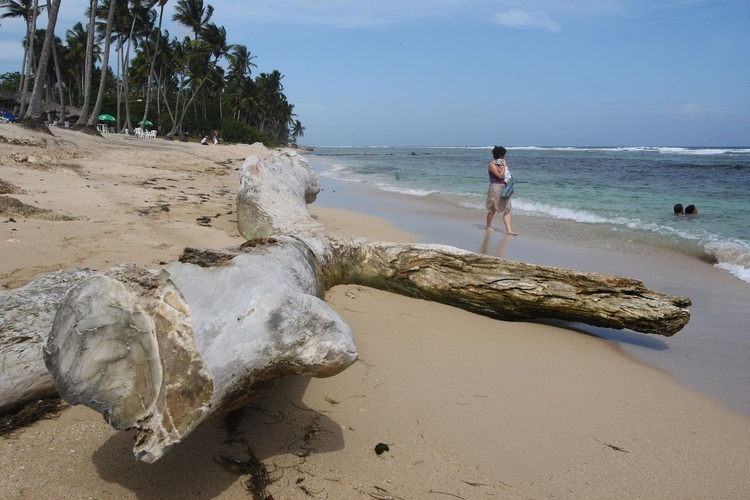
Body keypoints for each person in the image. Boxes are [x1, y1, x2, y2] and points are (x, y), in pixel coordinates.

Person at [485, 145, 517, 235]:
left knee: (507, 208)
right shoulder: (491, 165)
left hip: (504, 187)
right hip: (495, 187)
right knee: (493, 208)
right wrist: (505, 165)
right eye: (504, 155)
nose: (505, 157)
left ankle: (508, 229)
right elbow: (499, 175)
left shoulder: (502, 165)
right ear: (501, 156)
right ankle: (488, 225)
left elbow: (505, 175)